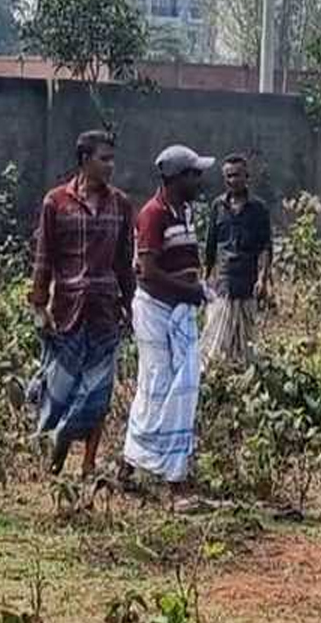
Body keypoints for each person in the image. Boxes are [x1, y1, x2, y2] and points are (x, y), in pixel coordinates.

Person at [26, 130, 137, 479]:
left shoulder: (120, 204)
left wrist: (130, 305)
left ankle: (88, 463)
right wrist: (39, 305)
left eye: (112, 159)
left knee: (99, 392)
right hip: (67, 310)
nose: (110, 166)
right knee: (60, 390)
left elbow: (124, 261)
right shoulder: (55, 203)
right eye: (104, 159)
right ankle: (57, 450)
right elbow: (44, 258)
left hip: (105, 309)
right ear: (84, 160)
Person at [121, 144, 215, 492]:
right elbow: (147, 272)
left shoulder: (184, 211)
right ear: (177, 178)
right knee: (157, 387)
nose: (200, 179)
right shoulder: (153, 214)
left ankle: (161, 469)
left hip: (178, 310)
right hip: (157, 311)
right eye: (194, 174)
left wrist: (195, 289)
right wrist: (189, 290)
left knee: (182, 389)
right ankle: (144, 469)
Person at [201, 154, 274, 366]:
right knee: (215, 341)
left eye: (237, 175)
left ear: (247, 177)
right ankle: (216, 380)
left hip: (247, 283)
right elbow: (210, 245)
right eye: (229, 176)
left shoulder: (258, 209)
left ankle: (246, 379)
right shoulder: (218, 207)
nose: (233, 180)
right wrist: (206, 278)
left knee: (247, 343)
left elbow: (266, 246)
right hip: (223, 283)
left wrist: (263, 278)